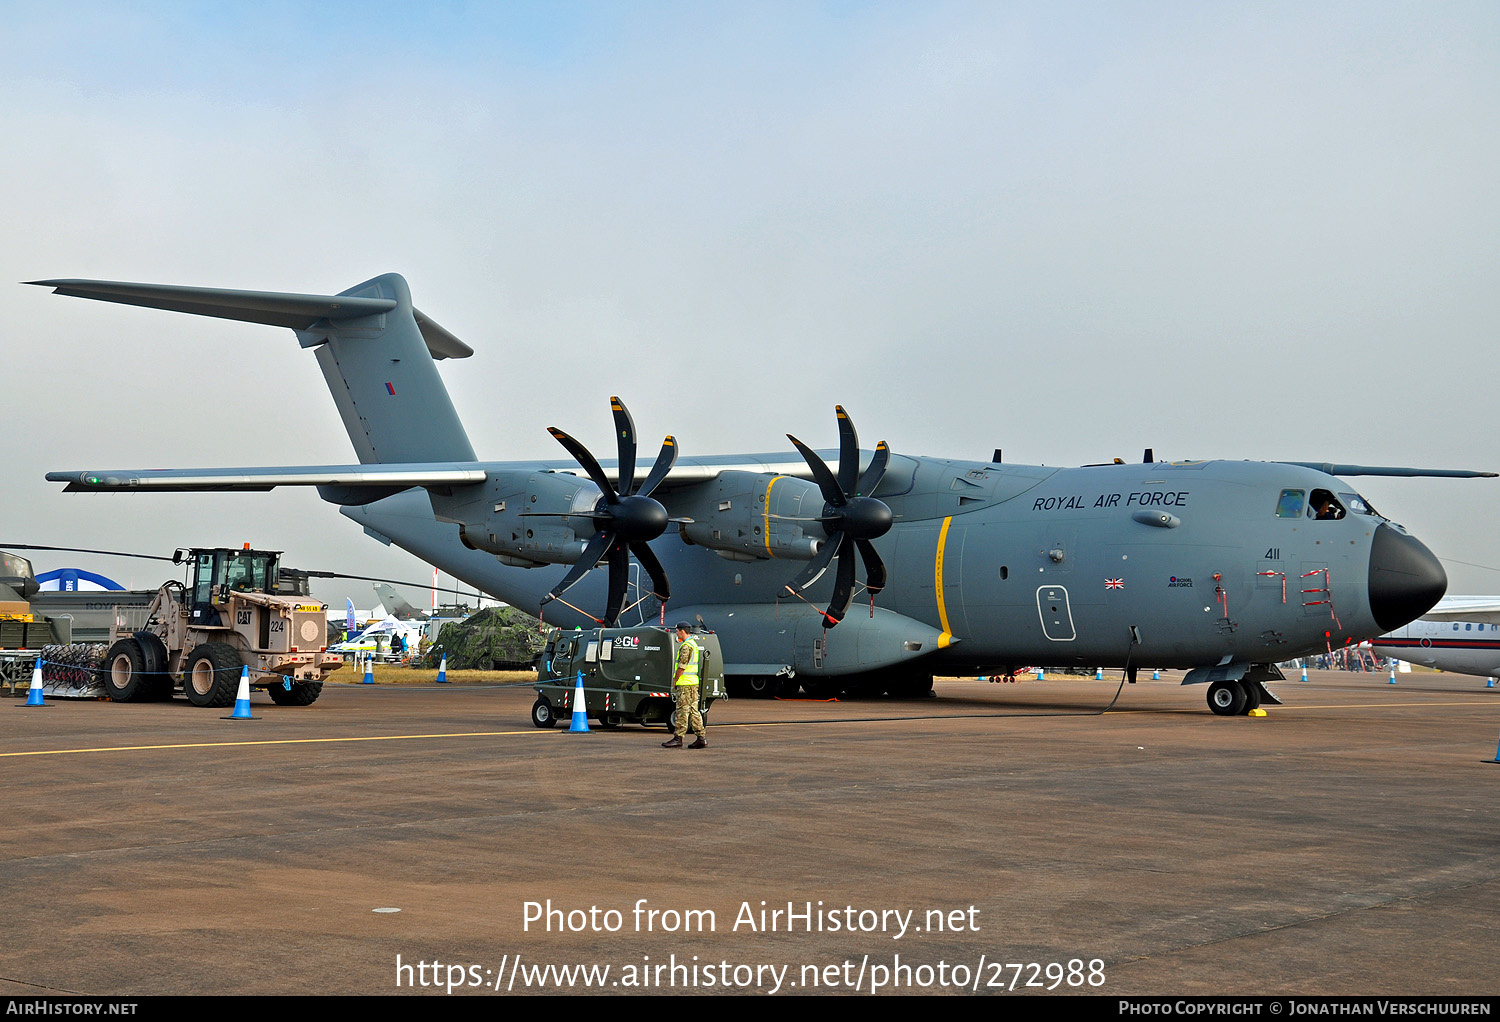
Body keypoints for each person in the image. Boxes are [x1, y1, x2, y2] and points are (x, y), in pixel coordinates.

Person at [662, 622, 707, 749]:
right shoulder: (694, 644)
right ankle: (701, 737)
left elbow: (681, 667)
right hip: (693, 683)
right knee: (694, 711)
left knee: (682, 711)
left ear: (682, 631)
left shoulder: (686, 646)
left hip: (685, 684)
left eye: (677, 631)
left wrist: (675, 681)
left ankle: (678, 738)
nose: (676, 633)